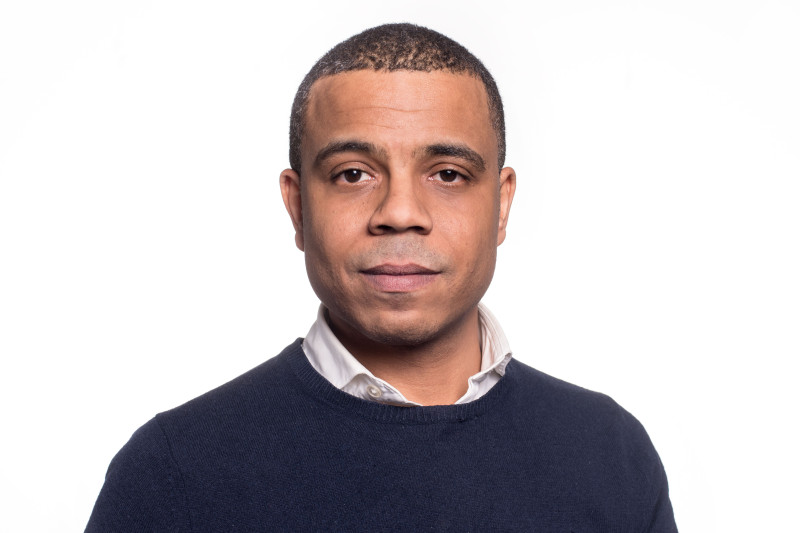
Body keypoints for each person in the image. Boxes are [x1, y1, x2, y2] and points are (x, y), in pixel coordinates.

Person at [86, 23, 677, 531]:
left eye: (447, 174)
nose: (399, 211)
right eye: (353, 174)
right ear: (297, 206)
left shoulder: (610, 454)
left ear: (501, 206)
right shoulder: (174, 472)